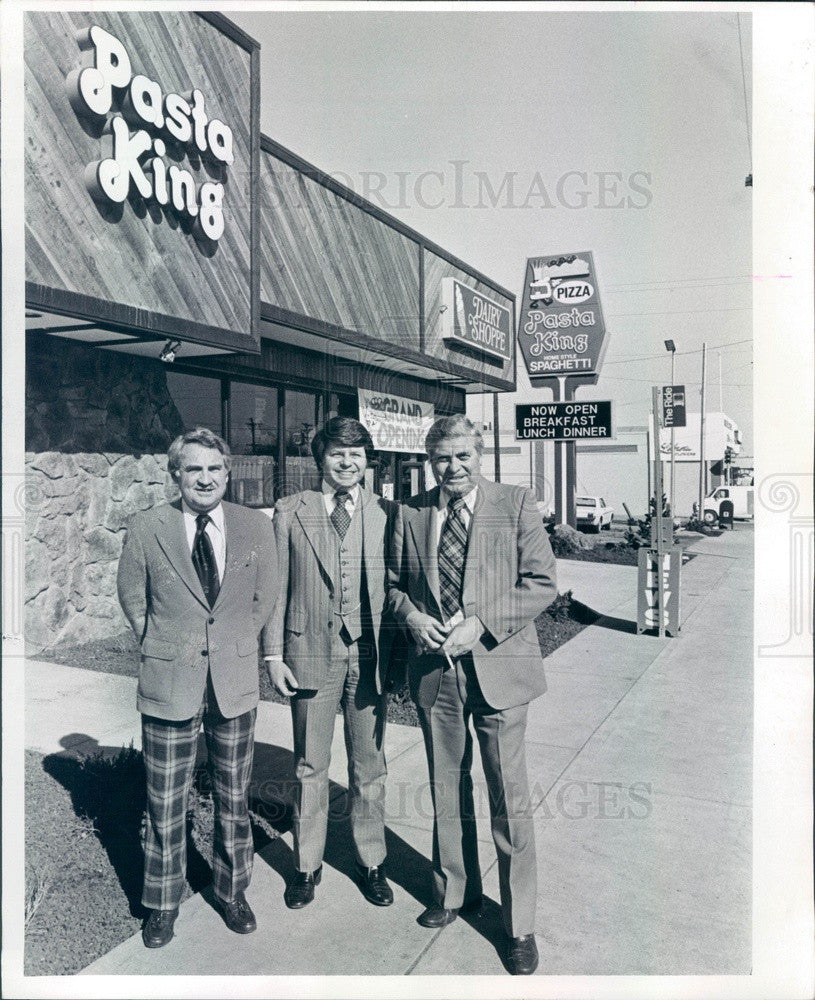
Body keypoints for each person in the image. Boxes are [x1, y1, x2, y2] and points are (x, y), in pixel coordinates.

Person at [388, 414, 557, 976]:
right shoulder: (411, 512)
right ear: (429, 460)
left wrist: (479, 626)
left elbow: (540, 583)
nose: (453, 467)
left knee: (508, 796)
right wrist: (411, 615)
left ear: (479, 456)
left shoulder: (514, 503)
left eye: (463, 456)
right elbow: (392, 585)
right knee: (445, 786)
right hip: (436, 674)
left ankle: (518, 925)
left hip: (499, 671)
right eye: (442, 458)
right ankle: (455, 892)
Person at [117, 427, 279, 949]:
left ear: (228, 473)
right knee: (165, 800)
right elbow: (134, 601)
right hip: (171, 678)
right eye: (193, 469)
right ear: (176, 475)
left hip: (232, 679)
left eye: (214, 468)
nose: (205, 478)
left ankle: (232, 891)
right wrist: (169, 647)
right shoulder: (148, 527)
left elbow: (264, 599)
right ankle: (161, 905)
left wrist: (232, 642)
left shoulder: (255, 526)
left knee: (234, 796)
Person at [264, 417, 400, 910]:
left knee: (370, 766)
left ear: (368, 461)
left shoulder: (387, 513)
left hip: (369, 655)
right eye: (338, 453)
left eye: (357, 453)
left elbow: (398, 588)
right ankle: (306, 865)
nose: (348, 462)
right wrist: (274, 653)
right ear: (320, 459)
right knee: (309, 766)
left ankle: (371, 861)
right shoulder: (289, 511)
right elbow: (275, 587)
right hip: (308, 653)